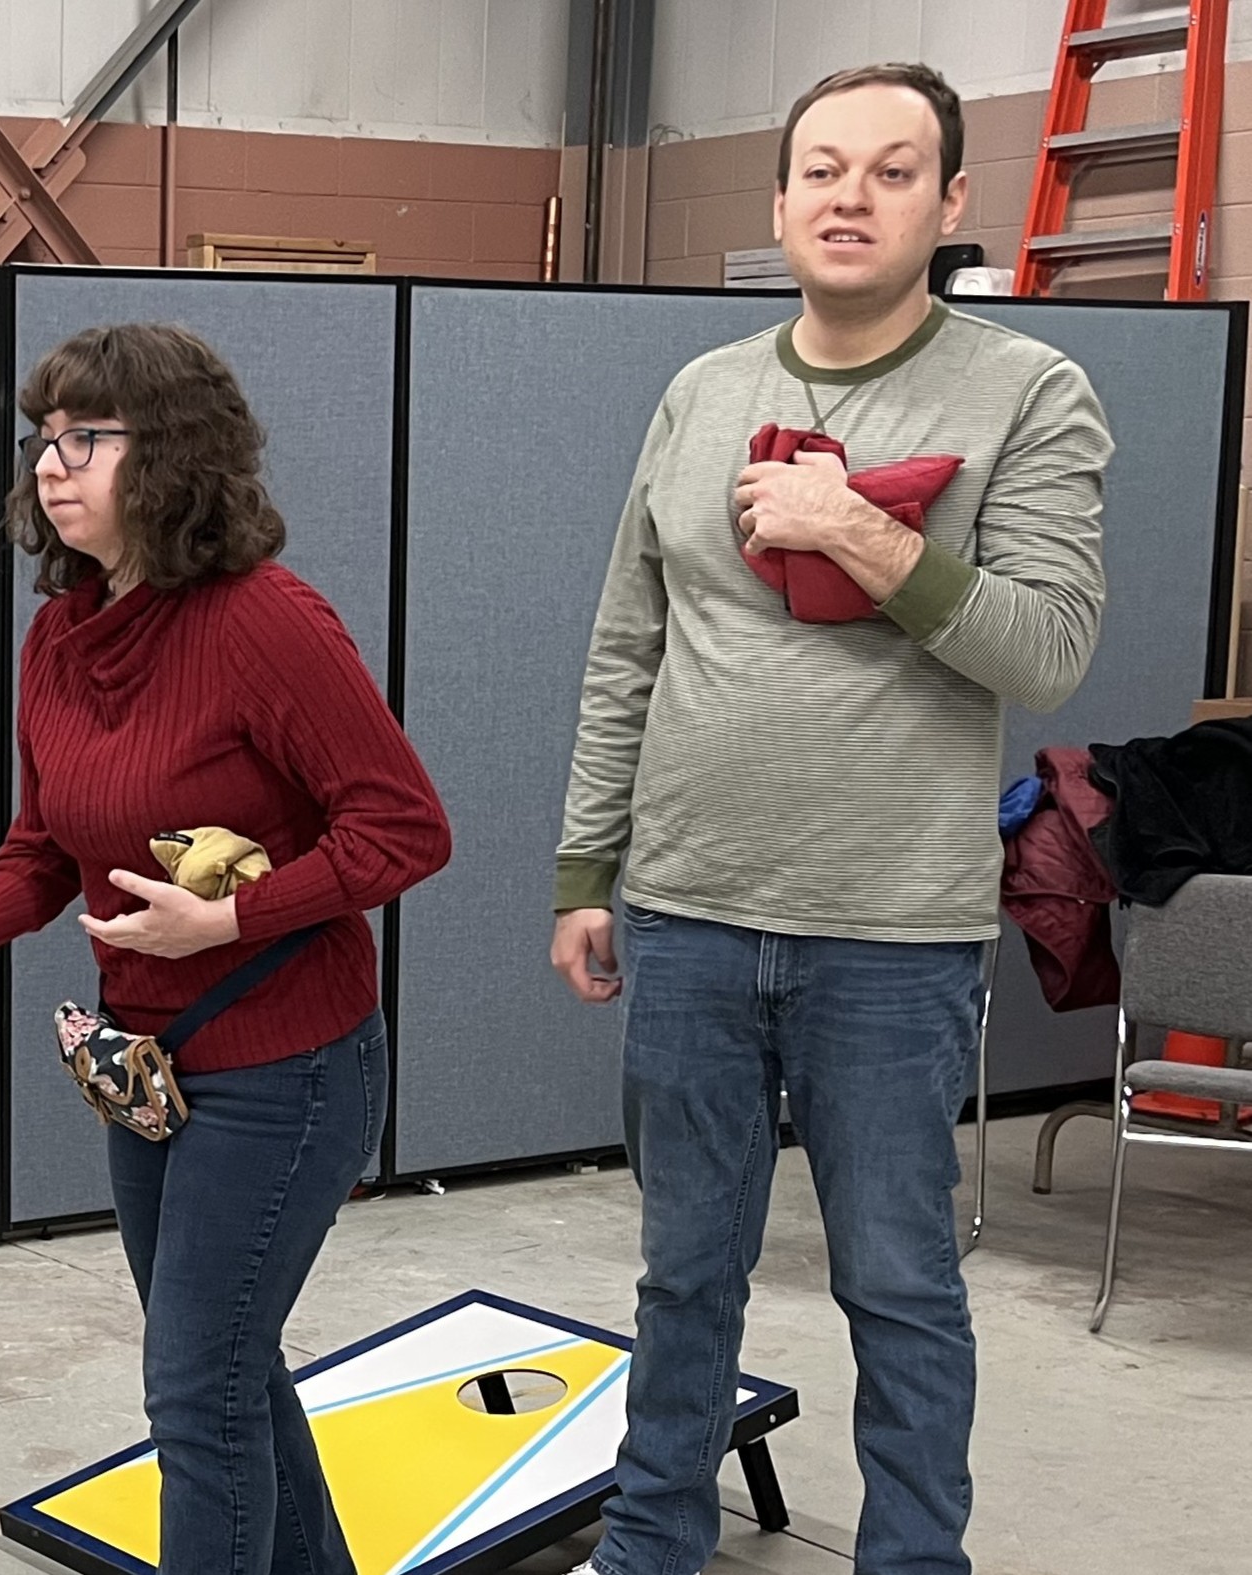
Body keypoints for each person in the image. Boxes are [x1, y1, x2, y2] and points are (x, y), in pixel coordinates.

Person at [551, 63, 1112, 1575]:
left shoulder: (1024, 391)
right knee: (682, 1274)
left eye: (885, 171)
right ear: (777, 198)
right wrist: (585, 867)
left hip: (887, 934)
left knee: (897, 1283)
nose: (845, 197)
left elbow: (1045, 648)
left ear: (948, 203)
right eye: (817, 169)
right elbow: (629, 643)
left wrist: (857, 530)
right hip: (682, 908)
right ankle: (651, 1539)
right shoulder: (700, 393)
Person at [0, 322, 452, 1574]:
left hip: (288, 1065)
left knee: (196, 1387)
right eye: (44, 438)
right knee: (224, 1369)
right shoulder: (62, 638)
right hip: (151, 1065)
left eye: (87, 436)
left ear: (175, 454)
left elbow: (406, 830)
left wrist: (230, 918)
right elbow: (43, 843)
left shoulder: (267, 621)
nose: (50, 464)